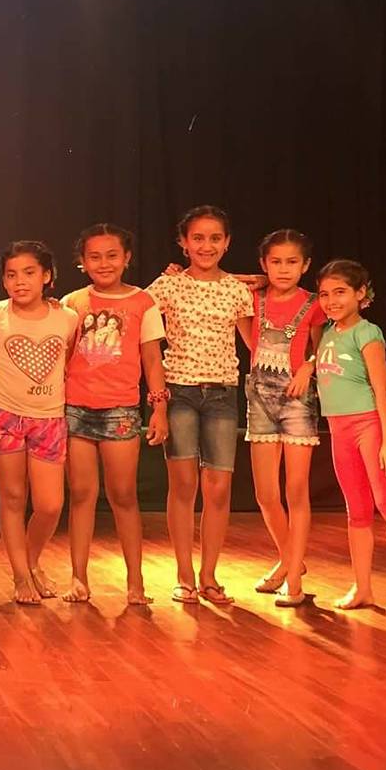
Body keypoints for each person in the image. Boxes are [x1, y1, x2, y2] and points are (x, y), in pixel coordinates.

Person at [147, 206, 253, 605]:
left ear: (227, 243)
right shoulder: (168, 286)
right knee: (183, 485)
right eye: (198, 238)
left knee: (219, 487)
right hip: (179, 392)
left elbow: (254, 342)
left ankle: (209, 575)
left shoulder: (236, 290)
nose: (206, 246)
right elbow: (135, 317)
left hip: (222, 394)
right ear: (183, 243)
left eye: (215, 238)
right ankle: (184, 575)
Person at [61, 224, 168, 605]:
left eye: (111, 255)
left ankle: (135, 582)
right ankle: (78, 578)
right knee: (81, 495)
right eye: (94, 256)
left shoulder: (143, 303)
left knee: (123, 495)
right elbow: (63, 354)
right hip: (76, 409)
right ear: (82, 261)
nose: (103, 263)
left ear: (127, 258)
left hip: (120, 409)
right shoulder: (72, 303)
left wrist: (159, 408)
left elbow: (152, 359)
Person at [315, 260, 386, 613]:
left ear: (361, 293)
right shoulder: (328, 332)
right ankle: (362, 587)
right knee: (356, 510)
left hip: (369, 426)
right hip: (338, 429)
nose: (331, 301)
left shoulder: (367, 332)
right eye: (324, 294)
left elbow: (383, 389)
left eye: (340, 292)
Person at [0, 241, 78, 604]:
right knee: (12, 497)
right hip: (3, 415)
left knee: (50, 504)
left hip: (48, 418)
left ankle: (32, 560)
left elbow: (69, 357)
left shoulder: (66, 317)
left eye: (29, 273)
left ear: (47, 276)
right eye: (11, 275)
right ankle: (21, 575)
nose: (19, 281)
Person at [245, 230, 326, 607]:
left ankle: (293, 579)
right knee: (265, 494)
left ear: (305, 265)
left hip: (296, 401)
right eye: (275, 262)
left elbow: (322, 348)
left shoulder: (313, 304)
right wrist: (253, 280)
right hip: (260, 399)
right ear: (263, 264)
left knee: (295, 490)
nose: (283, 269)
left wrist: (308, 367)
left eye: (292, 262)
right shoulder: (253, 298)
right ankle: (290, 559)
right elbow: (221, 283)